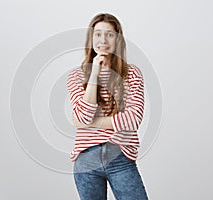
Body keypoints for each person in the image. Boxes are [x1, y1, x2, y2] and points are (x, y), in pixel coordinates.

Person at [67, 13, 148, 200]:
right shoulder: (76, 76)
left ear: (117, 39)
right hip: (86, 161)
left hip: (120, 157)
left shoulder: (132, 74)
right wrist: (94, 72)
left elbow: (133, 119)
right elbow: (83, 116)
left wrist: (88, 122)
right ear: (91, 38)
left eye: (109, 35)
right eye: (98, 34)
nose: (103, 40)